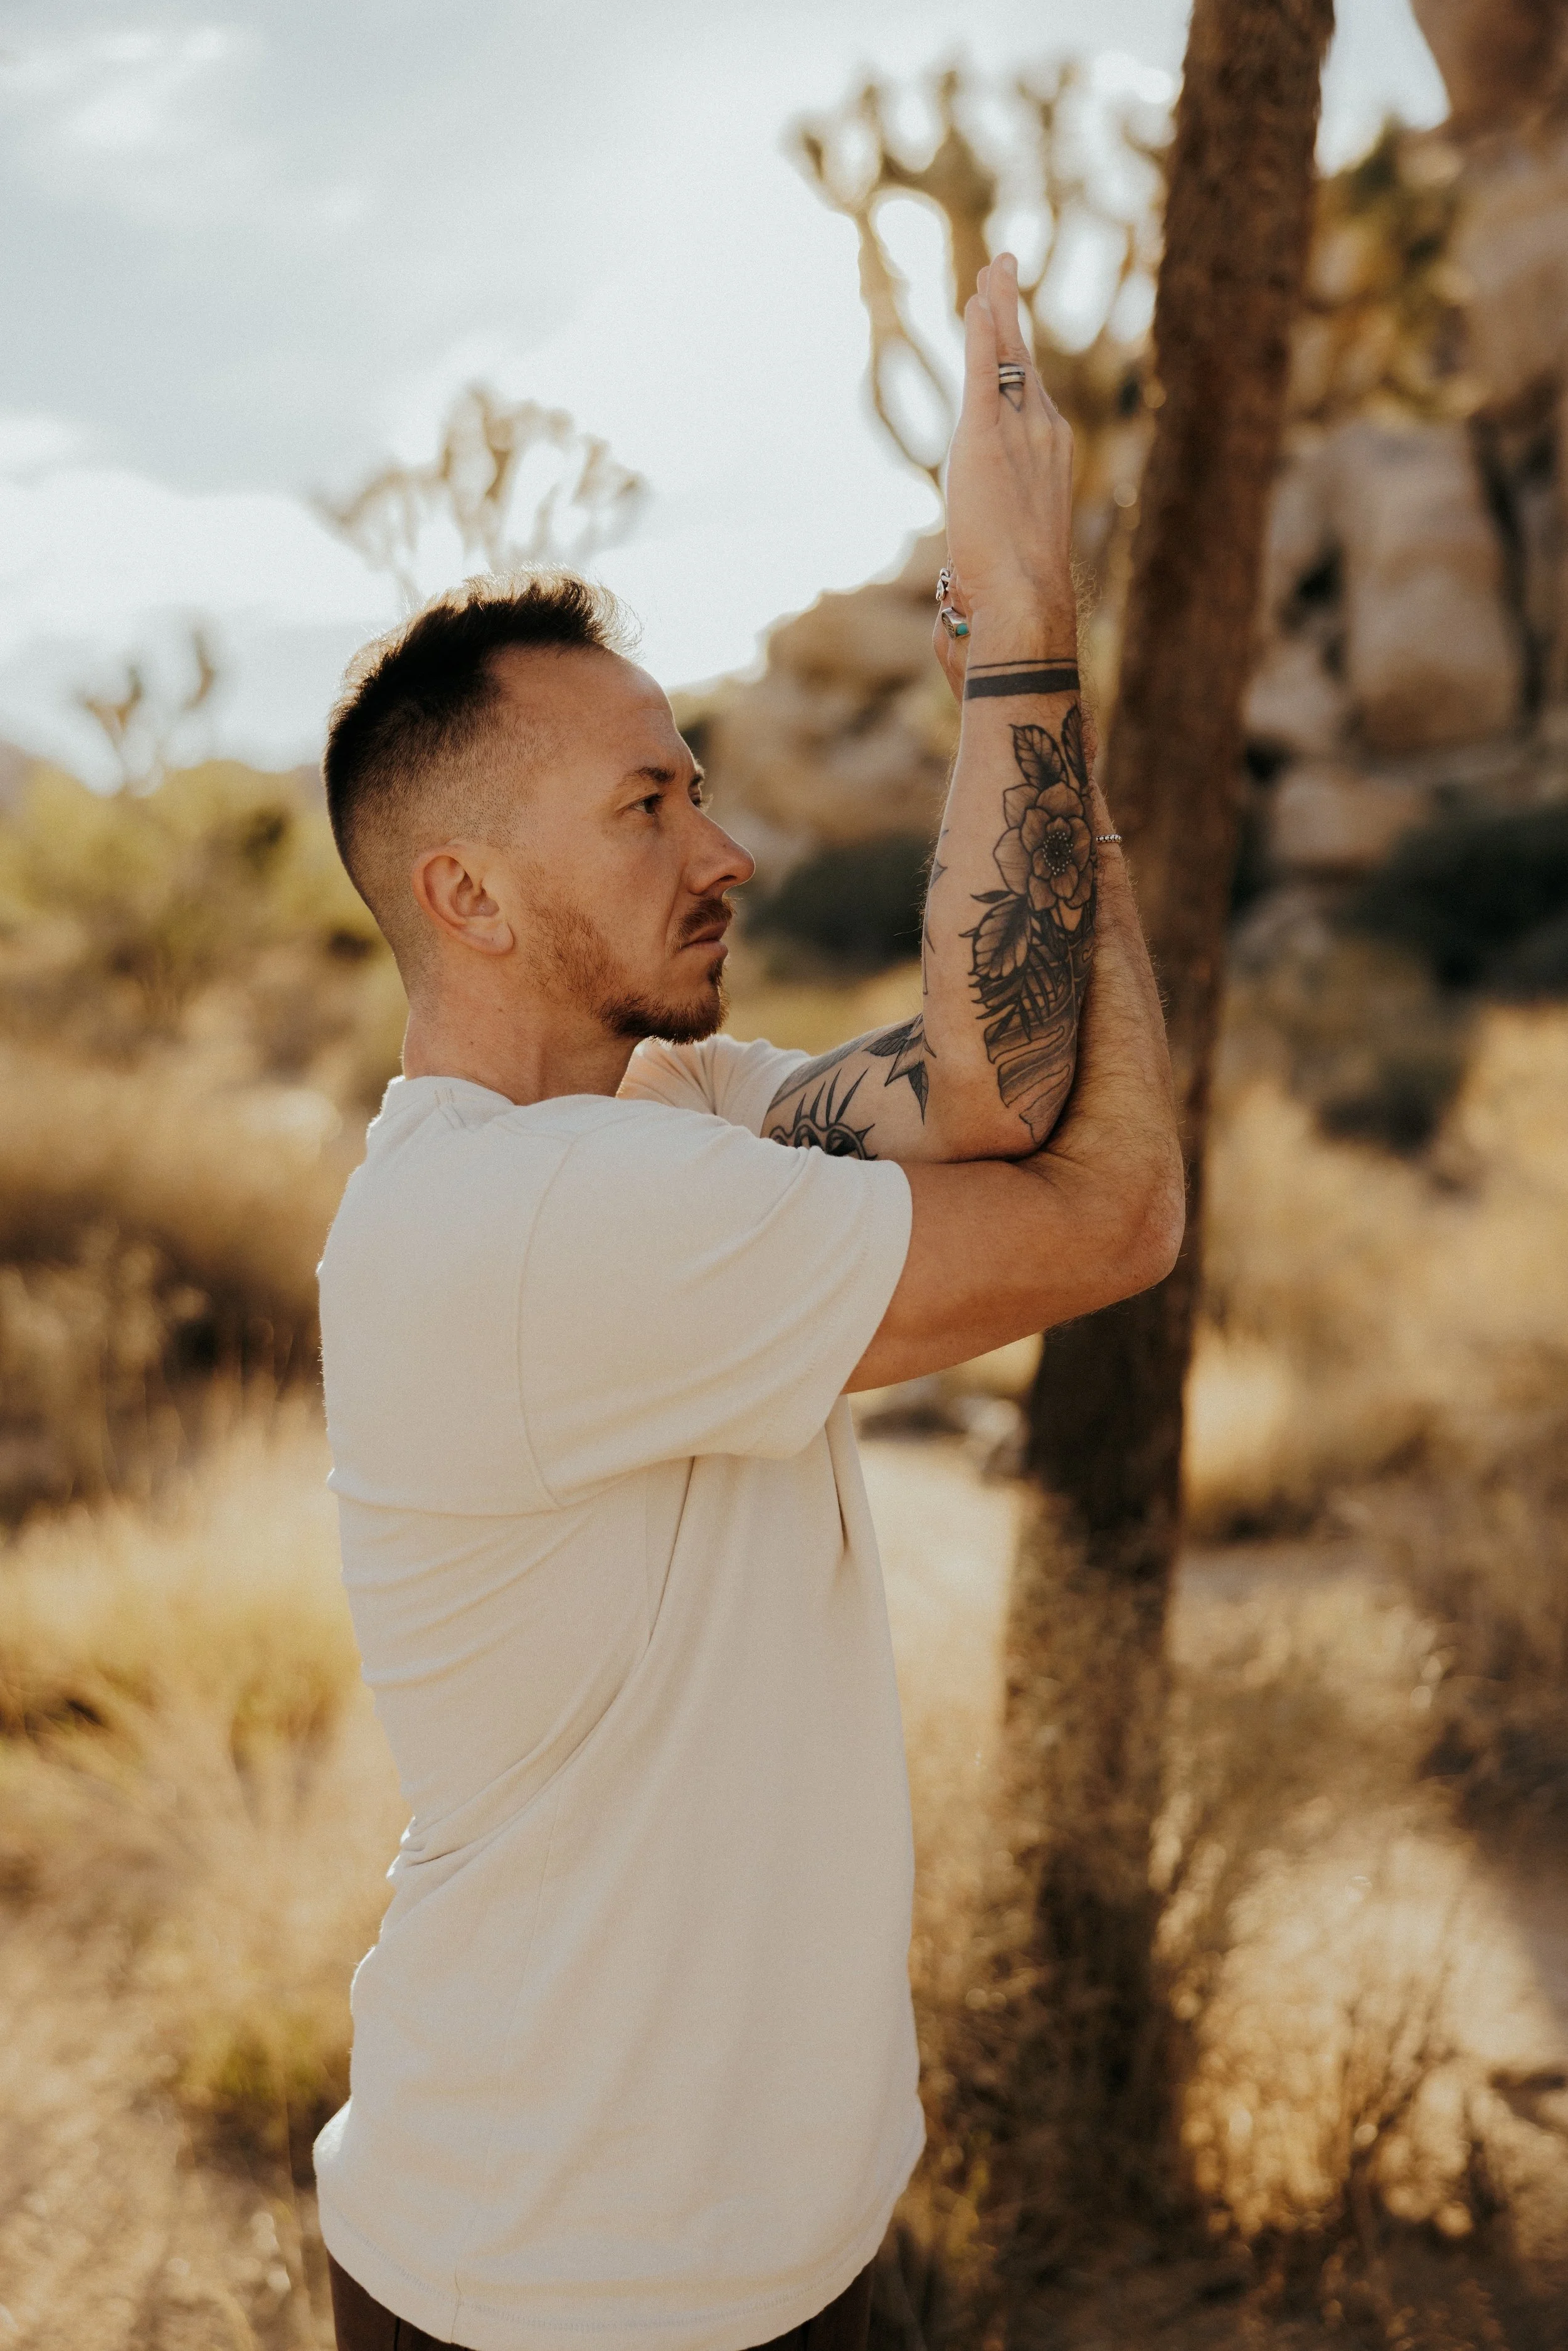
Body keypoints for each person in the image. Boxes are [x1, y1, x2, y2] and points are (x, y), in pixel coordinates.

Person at [312, 254, 1182, 2351]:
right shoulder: (526, 1227)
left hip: (782, 2251)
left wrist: (1002, 633)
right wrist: (1032, 647)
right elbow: (1110, 1208)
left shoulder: (678, 1111)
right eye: (646, 804)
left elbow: (994, 1072)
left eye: (696, 781)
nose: (730, 845)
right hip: (553, 2292)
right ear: (468, 894)